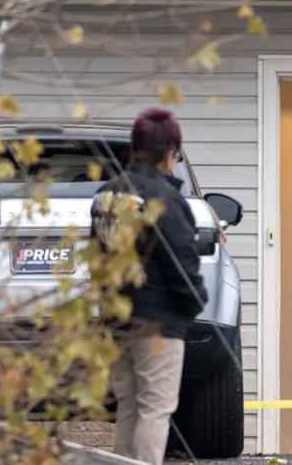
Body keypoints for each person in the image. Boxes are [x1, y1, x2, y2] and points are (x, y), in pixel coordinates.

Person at [90, 108, 207, 465]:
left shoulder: (107, 196)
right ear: (170, 154)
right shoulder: (166, 201)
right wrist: (195, 303)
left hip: (116, 320)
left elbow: (95, 258)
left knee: (128, 405)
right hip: (159, 325)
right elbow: (182, 267)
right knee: (155, 408)